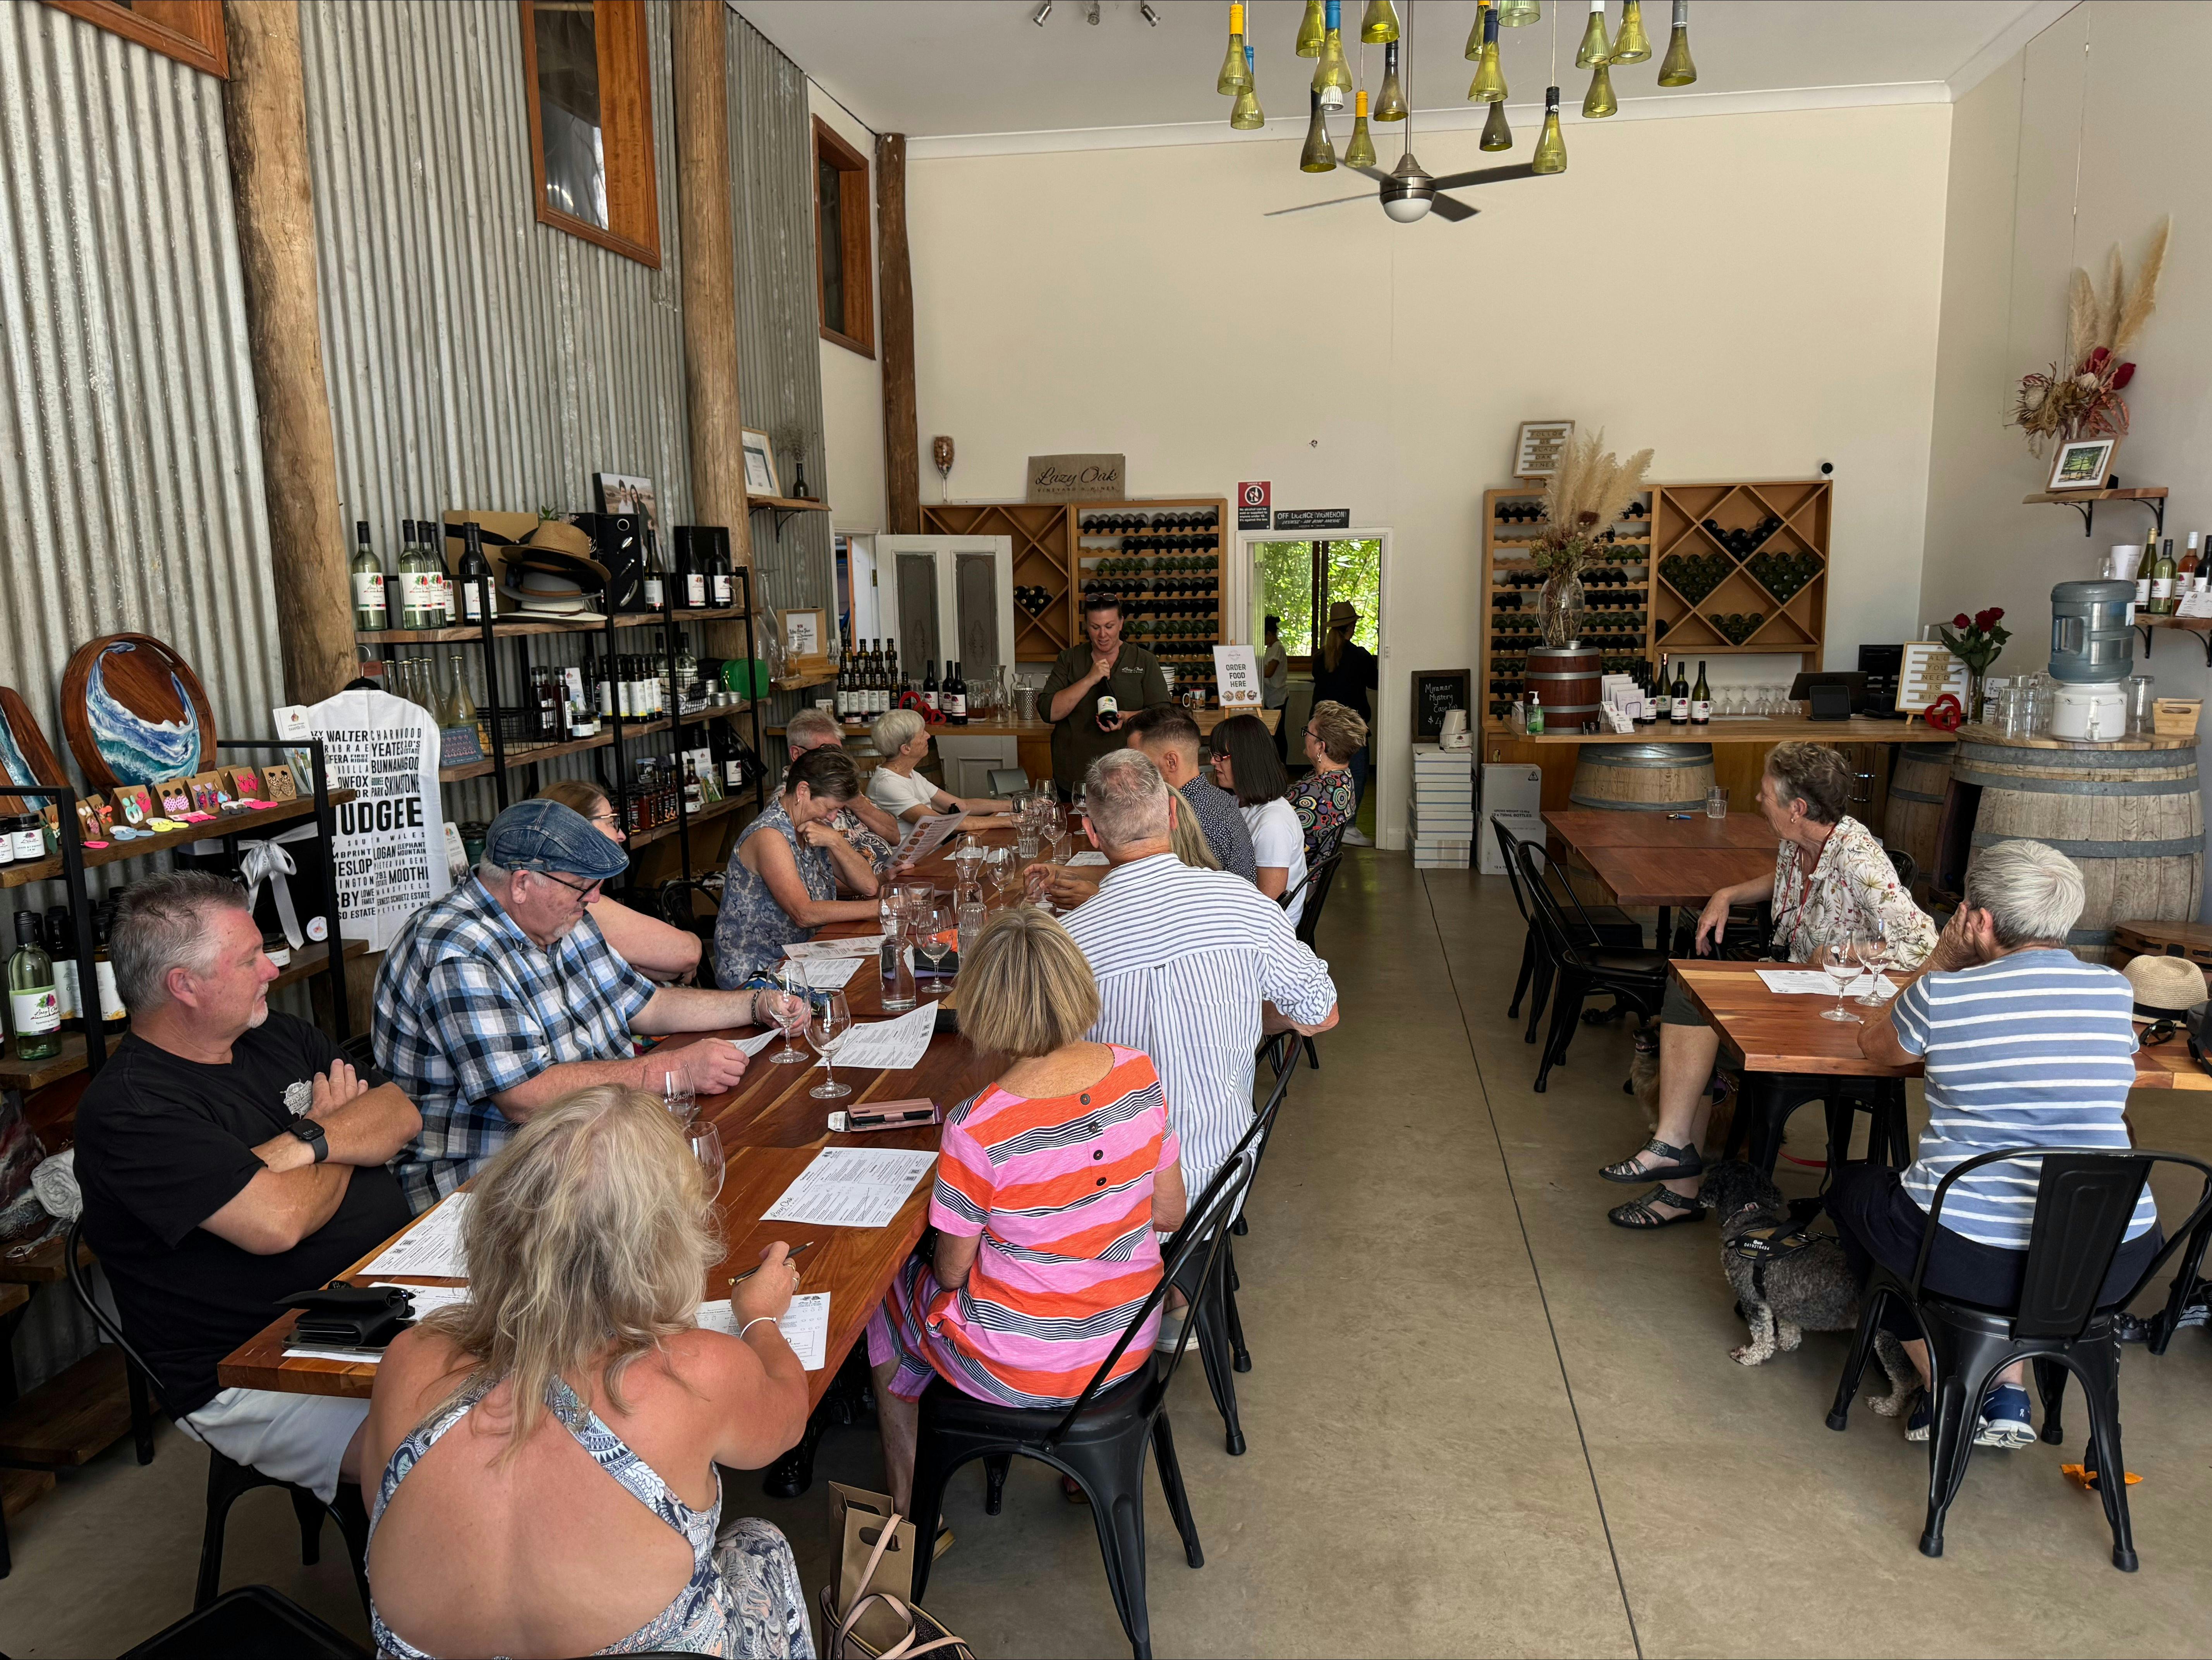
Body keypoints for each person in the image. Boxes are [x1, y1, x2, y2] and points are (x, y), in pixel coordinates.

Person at [361, 1085, 814, 1658]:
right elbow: (787, 1419)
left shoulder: (409, 1359)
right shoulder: (695, 1370)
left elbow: (387, 1512)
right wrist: (761, 1320)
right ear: (663, 1241)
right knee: (758, 1543)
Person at [76, 873, 422, 1504]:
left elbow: (400, 1113)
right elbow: (278, 1223)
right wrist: (335, 1130)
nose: (271, 967)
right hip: (259, 1368)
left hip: (381, 1301)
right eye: (248, 959)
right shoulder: (133, 1109)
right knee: (454, 1444)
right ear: (184, 985)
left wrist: (306, 1144)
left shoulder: (279, 1036)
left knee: (564, 1357)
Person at [1842, 840, 2160, 1448]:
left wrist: (1940, 956)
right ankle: (2010, 1385)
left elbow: (1876, 1048)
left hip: (1974, 1255)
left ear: (1979, 920)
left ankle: (1955, 1390)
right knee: (2017, 1209)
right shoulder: (2115, 992)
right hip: (2111, 1256)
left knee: (1856, 1194)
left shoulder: (1946, 995)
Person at [867, 908, 1185, 1512]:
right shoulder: (1139, 1072)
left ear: (985, 1007)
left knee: (883, 1304)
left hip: (1025, 1366)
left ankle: (909, 1513)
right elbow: (1170, 1211)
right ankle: (1076, 1467)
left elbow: (954, 1274)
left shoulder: (978, 1126)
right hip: (1127, 1340)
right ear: (1076, 982)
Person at [377, 800, 802, 1211]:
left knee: (759, 1166)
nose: (595, 898)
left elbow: (649, 1005)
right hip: (494, 1186)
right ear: (523, 883)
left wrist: (754, 1005)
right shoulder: (458, 951)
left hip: (593, 1148)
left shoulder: (561, 916)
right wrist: (671, 1070)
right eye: (584, 887)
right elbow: (526, 1097)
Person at [1600, 742, 1937, 1230]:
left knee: (1697, 1004)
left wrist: (1847, 955)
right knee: (1689, 988)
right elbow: (1785, 879)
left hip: (1833, 1007)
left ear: (1797, 808)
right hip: (1793, 984)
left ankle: (1677, 1172)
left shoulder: (1860, 859)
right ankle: (1676, 1159)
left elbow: (1926, 944)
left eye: (1765, 793)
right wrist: (1729, 893)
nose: (1759, 800)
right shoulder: (1799, 839)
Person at [1061, 750, 1338, 1212]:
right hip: (1224, 1178)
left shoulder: (1068, 943)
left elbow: (1048, 1073)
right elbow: (1323, 1013)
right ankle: (1186, 1282)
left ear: (1092, 832)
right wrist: (1245, 1011)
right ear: (1173, 813)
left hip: (1108, 1196)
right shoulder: (1244, 903)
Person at [713, 746, 882, 986]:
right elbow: (803, 913)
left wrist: (836, 841)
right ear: (803, 791)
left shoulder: (814, 824)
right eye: (830, 808)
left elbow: (868, 886)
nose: (833, 817)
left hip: (804, 957)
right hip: (759, 971)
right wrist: (882, 909)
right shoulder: (770, 835)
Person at [536, 779, 704, 983]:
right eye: (612, 823)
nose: (622, 835)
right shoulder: (580, 900)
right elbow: (687, 953)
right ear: (579, 829)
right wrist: (675, 968)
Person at [1039, 593, 1170, 800]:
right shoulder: (1070, 659)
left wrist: (1127, 717)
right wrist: (1089, 679)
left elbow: (1163, 716)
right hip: (1074, 779)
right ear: (1086, 626)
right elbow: (1049, 711)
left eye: (1109, 626)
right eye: (1095, 627)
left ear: (1121, 623)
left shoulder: (1143, 661)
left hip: (1129, 779)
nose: (1102, 635)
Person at [1120, 703, 1257, 882]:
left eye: (1138, 760)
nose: (1132, 770)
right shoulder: (1219, 797)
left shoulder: (1190, 818)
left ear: (1172, 761)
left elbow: (1174, 893)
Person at [1210, 713, 1310, 926]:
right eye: (1213, 754)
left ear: (1246, 759)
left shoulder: (1273, 823)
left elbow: (1268, 902)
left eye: (1220, 756)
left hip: (1268, 931)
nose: (1213, 762)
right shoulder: (1241, 801)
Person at [786, 706, 899, 873]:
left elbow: (894, 836)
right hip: (862, 892)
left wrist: (856, 802)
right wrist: (878, 883)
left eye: (839, 751)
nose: (836, 760)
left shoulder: (837, 783)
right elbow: (815, 876)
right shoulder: (795, 800)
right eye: (826, 752)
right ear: (797, 754)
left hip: (888, 879)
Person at [865, 708, 1012, 826]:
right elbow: (941, 824)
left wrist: (1015, 806)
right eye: (922, 734)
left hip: (930, 852)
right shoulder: (888, 785)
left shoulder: (910, 774)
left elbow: (963, 806)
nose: (928, 736)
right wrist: (1009, 821)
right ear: (906, 749)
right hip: (913, 861)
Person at [1308, 601, 1377, 845]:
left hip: (1321, 726)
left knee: (1323, 774)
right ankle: (1349, 826)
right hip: (1350, 727)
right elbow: (1376, 683)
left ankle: (1327, 824)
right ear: (1351, 628)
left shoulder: (1319, 658)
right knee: (1357, 774)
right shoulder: (1360, 657)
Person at [1290, 699, 1367, 861]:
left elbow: (1267, 826)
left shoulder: (1315, 793)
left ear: (1321, 747)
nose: (1305, 737)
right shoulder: (1344, 778)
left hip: (1294, 878)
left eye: (1308, 732)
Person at [1261, 614, 1289, 760]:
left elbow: (1269, 672)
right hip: (1270, 696)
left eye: (1264, 636)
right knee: (1273, 733)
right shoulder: (1270, 648)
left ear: (1270, 634)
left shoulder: (1278, 648)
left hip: (1278, 697)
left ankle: (1282, 763)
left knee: (1278, 733)